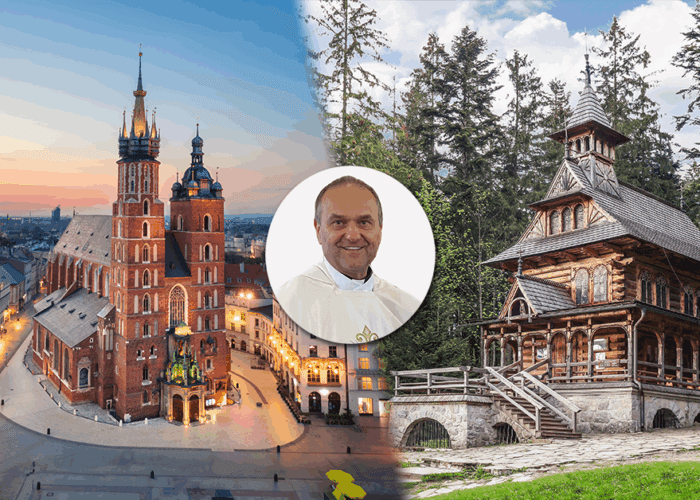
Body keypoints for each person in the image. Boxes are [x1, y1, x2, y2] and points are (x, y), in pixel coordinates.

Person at [277, 175, 421, 343]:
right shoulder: (291, 299)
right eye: (338, 222)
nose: (353, 236)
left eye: (364, 222)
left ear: (379, 230)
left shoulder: (406, 306)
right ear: (318, 231)